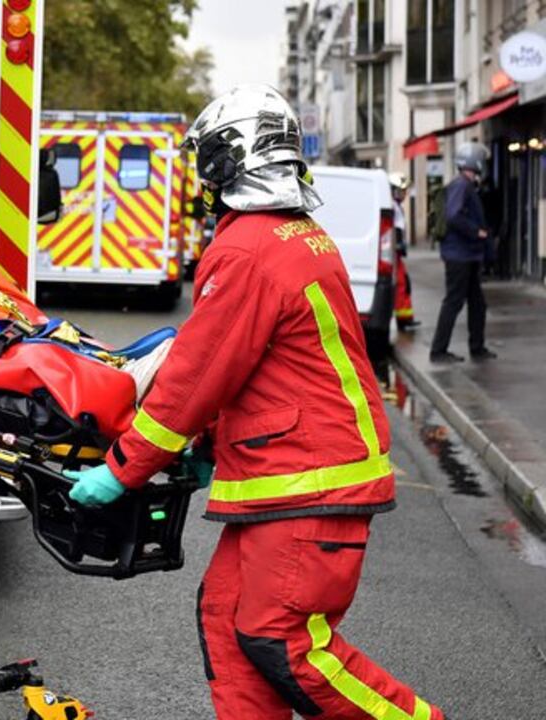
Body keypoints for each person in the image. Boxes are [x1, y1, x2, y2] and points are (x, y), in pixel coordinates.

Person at [66, 85, 443, 720]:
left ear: (229, 162)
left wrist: (123, 467)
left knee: (283, 641)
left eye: (207, 162)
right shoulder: (297, 234)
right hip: (302, 472)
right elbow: (259, 368)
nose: (202, 179)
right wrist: (211, 448)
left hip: (308, 478)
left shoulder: (247, 249)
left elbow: (195, 378)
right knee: (227, 617)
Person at [430, 142, 496, 363]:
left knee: (477, 304)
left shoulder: (463, 185)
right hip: (460, 256)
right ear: (475, 162)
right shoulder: (462, 186)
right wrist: (477, 232)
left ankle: (477, 347)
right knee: (454, 302)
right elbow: (453, 216)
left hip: (466, 255)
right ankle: (438, 351)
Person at [389, 172, 419, 332]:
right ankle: (403, 319)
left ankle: (405, 317)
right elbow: (395, 228)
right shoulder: (393, 206)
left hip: (396, 252)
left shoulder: (396, 206)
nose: (404, 194)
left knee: (403, 283)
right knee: (401, 283)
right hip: (394, 253)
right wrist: (398, 245)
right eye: (401, 191)